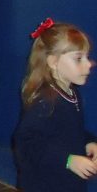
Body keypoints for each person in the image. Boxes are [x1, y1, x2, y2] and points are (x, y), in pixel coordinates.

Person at [13, 18, 97, 191]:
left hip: (67, 181)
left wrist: (88, 142)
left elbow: (68, 131)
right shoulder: (44, 101)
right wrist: (67, 160)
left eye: (87, 57)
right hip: (45, 183)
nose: (89, 64)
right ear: (53, 62)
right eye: (78, 58)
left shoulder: (71, 93)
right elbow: (26, 143)